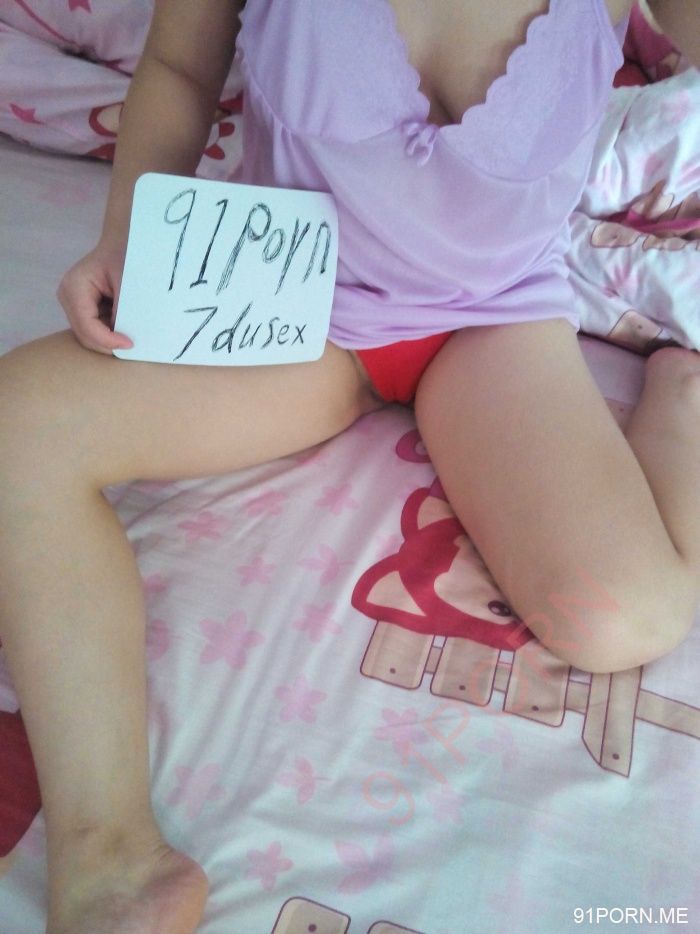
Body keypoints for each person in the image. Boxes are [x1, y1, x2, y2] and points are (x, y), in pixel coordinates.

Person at [0, 1, 698, 931]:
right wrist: (132, 231)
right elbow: (176, 70)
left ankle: (682, 402)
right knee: (20, 424)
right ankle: (110, 854)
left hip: (493, 325)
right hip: (290, 311)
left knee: (622, 620)